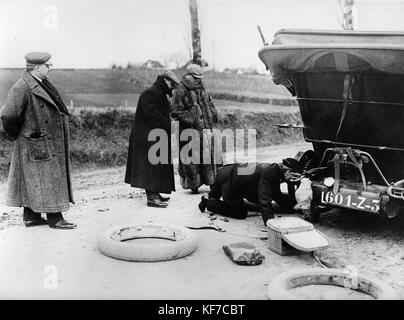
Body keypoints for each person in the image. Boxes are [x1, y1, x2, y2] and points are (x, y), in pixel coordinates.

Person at [1, 52, 76, 229]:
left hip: (40, 142)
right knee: (47, 177)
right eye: (47, 65)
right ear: (36, 67)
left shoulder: (37, 83)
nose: (50, 67)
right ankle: (55, 218)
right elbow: (8, 114)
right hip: (36, 142)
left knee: (35, 178)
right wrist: (20, 135)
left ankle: (32, 217)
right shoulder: (23, 86)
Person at [125, 69, 179, 208]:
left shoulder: (158, 93)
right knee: (150, 168)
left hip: (154, 136)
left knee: (156, 166)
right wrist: (170, 125)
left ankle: (155, 193)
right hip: (146, 138)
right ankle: (152, 198)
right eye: (172, 85)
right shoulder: (150, 93)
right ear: (166, 81)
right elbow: (152, 116)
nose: (173, 88)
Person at [198, 161, 297, 225]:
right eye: (293, 176)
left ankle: (208, 198)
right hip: (230, 183)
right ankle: (207, 202)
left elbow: (277, 196)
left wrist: (293, 206)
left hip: (227, 172)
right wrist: (270, 223)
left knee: (215, 195)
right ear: (287, 171)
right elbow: (264, 201)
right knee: (240, 212)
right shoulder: (270, 173)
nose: (293, 179)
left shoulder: (275, 170)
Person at [171, 63, 219, 194]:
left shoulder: (202, 87)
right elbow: (175, 111)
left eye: (200, 78)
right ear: (188, 76)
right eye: (196, 77)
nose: (199, 80)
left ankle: (211, 181)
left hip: (205, 128)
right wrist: (191, 118)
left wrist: (213, 114)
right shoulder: (180, 90)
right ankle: (194, 184)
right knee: (191, 157)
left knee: (208, 155)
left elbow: (209, 103)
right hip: (189, 130)